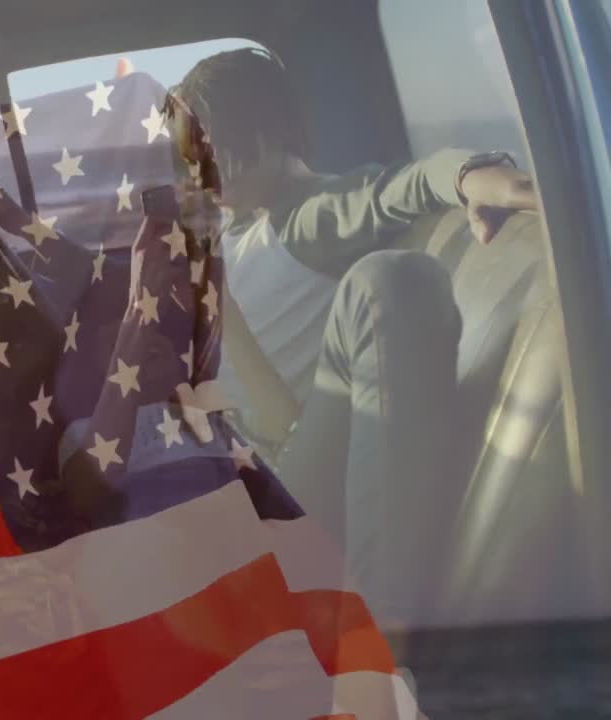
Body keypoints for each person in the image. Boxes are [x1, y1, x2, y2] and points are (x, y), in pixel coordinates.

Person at [161, 48, 539, 621]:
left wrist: (471, 172)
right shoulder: (239, 229)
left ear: (261, 130)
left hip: (280, 482)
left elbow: (403, 186)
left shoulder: (309, 214)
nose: (196, 172)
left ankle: (380, 646)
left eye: (209, 150)